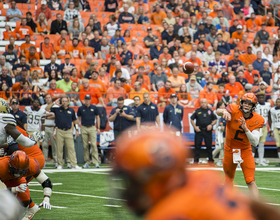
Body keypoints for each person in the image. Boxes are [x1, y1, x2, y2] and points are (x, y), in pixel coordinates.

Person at [112, 127, 280, 220]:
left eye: (132, 180)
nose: (128, 189)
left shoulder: (166, 214)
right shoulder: (202, 174)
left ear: (155, 176)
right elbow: (252, 204)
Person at [217, 93, 264, 198]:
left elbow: (255, 142)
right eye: (245, 103)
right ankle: (226, 205)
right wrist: (224, 111)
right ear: (241, 103)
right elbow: (218, 111)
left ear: (253, 106)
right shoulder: (233, 109)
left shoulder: (258, 119)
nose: (247, 105)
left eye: (249, 104)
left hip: (245, 151)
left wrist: (246, 129)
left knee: (250, 180)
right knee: (228, 179)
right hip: (229, 149)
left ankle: (255, 209)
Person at [45, 97, 82, 170]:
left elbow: (75, 121)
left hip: (68, 131)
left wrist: (77, 129)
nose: (64, 102)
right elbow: (47, 109)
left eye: (66, 101)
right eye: (63, 101)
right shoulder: (57, 109)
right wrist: (54, 103)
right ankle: (60, 164)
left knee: (71, 148)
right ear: (61, 102)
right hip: (59, 130)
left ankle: (74, 164)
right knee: (59, 148)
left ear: (68, 102)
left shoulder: (71, 110)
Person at [77, 95, 101, 168]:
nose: (87, 101)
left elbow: (98, 117)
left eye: (88, 99)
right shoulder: (81, 108)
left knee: (94, 145)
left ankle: (95, 161)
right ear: (84, 100)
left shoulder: (94, 108)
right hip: (84, 127)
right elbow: (78, 118)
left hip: (92, 127)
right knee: (85, 146)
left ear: (90, 100)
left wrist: (98, 127)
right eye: (86, 99)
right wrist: (78, 127)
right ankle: (87, 162)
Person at [191, 99, 217, 163]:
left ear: (207, 103)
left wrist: (211, 125)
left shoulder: (210, 111)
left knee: (209, 146)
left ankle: (211, 161)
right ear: (200, 103)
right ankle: (196, 161)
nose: (203, 104)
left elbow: (215, 119)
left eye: (205, 102)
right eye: (202, 102)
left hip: (208, 131)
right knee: (197, 146)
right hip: (199, 131)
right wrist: (195, 127)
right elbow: (191, 119)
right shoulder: (197, 111)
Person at [41, 94, 57, 167]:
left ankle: (56, 161)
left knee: (54, 145)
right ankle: (44, 161)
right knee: (44, 145)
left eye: (49, 97)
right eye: (46, 98)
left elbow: (55, 116)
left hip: (53, 127)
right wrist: (51, 115)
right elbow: (42, 116)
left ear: (51, 98)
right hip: (45, 126)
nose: (48, 99)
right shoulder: (42, 107)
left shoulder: (56, 106)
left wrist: (47, 115)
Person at [254, 92, 270, 166]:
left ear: (264, 98)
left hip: (264, 126)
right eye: (260, 97)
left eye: (262, 97)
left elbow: (269, 116)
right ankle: (251, 160)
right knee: (254, 144)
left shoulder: (268, 105)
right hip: (256, 126)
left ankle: (261, 161)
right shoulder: (255, 105)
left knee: (262, 144)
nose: (261, 99)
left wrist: (270, 127)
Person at [213, 101, 227, 166]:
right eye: (223, 105)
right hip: (219, 129)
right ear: (220, 106)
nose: (224, 106)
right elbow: (218, 121)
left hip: (221, 129)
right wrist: (220, 126)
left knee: (221, 146)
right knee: (219, 146)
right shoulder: (218, 112)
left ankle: (220, 160)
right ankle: (211, 157)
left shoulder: (224, 112)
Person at [268, 98, 280, 167]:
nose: (278, 103)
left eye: (279, 102)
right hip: (276, 127)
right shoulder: (272, 110)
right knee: (278, 145)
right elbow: (271, 120)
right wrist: (271, 130)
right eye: (277, 102)